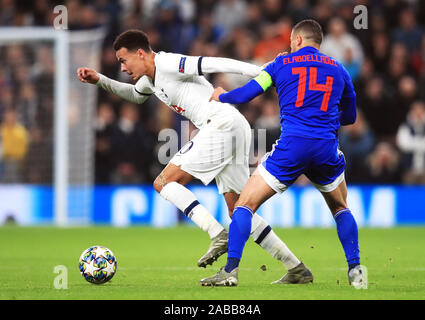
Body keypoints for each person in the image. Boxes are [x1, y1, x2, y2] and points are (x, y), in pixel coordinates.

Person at [78, 29, 312, 284]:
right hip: (234, 124)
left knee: (164, 183)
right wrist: (99, 79)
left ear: (141, 53)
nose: (122, 67)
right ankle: (296, 268)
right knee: (240, 210)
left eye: (124, 60)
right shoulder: (149, 80)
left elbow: (212, 63)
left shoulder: (167, 63)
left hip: (220, 123)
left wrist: (262, 71)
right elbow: (134, 95)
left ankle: (216, 233)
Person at [204, 19, 364, 287]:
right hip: (325, 147)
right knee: (340, 207)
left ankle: (230, 271)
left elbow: (247, 94)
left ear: (298, 40)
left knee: (244, 204)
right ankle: (356, 273)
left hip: (292, 147)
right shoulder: (341, 70)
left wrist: (222, 96)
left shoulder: (281, 64)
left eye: (291, 41)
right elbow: (350, 117)